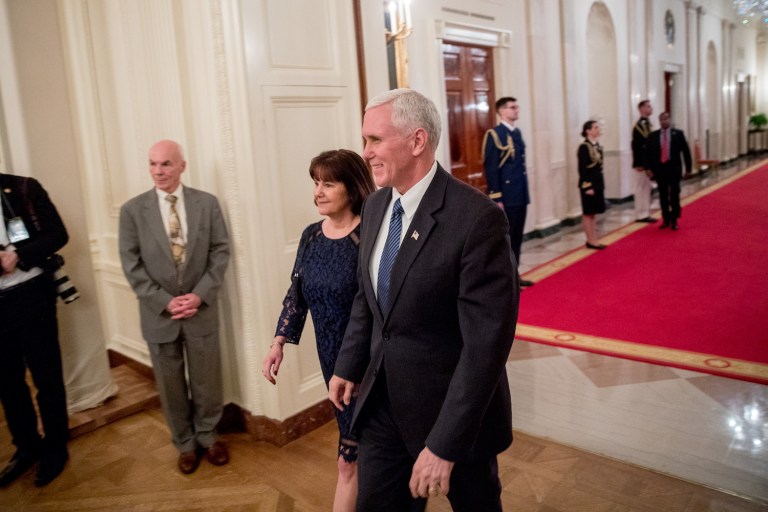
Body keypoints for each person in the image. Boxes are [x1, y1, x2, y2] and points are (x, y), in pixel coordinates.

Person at [329, 89, 518, 511]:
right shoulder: (376, 206)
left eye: (376, 140)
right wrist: (349, 362)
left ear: (417, 141)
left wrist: (445, 444)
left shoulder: (477, 220)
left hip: (455, 416)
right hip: (382, 405)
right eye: (365, 140)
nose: (366, 152)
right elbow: (368, 298)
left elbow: (486, 347)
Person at [262, 149, 375, 512]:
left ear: (352, 187)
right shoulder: (311, 235)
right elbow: (296, 294)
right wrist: (279, 341)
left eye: (329, 183)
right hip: (331, 361)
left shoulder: (369, 235)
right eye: (315, 182)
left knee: (352, 458)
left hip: (369, 363)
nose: (318, 191)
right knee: (356, 454)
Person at [119, 140, 230, 474]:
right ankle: (184, 442)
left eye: (166, 164)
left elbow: (220, 251)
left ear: (182, 166)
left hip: (201, 309)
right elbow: (131, 264)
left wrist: (200, 294)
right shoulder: (132, 211)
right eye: (152, 164)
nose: (158, 171)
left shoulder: (206, 204)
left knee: (206, 379)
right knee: (169, 382)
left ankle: (208, 436)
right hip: (159, 314)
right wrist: (164, 301)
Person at [0, 173, 70, 487]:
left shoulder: (23, 187)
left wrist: (19, 255)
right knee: (8, 384)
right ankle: (26, 448)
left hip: (32, 298)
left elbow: (58, 234)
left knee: (47, 378)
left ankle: (56, 448)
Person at [482, 96, 533, 287]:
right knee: (506, 240)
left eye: (516, 107)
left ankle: (515, 273)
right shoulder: (495, 135)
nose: (516, 110)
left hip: (519, 193)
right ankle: (506, 281)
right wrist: (497, 197)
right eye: (512, 107)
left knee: (517, 236)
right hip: (506, 195)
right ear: (502, 111)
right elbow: (491, 168)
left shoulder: (516, 133)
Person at [646, 112, 692, 230]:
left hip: (674, 169)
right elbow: (649, 154)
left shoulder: (678, 134)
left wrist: (688, 169)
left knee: (674, 194)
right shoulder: (653, 136)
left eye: (666, 119)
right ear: (659, 121)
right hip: (660, 170)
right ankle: (666, 219)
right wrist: (648, 168)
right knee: (663, 195)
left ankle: (674, 219)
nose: (664, 121)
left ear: (670, 120)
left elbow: (686, 152)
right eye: (661, 120)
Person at [578, 120, 607, 249]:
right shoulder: (584, 147)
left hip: (597, 182)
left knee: (593, 213)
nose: (598, 129)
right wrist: (587, 186)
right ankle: (590, 240)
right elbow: (582, 169)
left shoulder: (597, 146)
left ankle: (593, 238)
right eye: (595, 127)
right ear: (588, 130)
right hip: (588, 184)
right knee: (588, 212)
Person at [631, 100, 656, 223]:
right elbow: (636, 146)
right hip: (641, 164)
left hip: (648, 163)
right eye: (648, 106)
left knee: (647, 188)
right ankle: (640, 214)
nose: (651, 108)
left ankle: (645, 212)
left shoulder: (648, 125)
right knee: (640, 189)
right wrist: (639, 164)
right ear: (641, 109)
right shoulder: (638, 126)